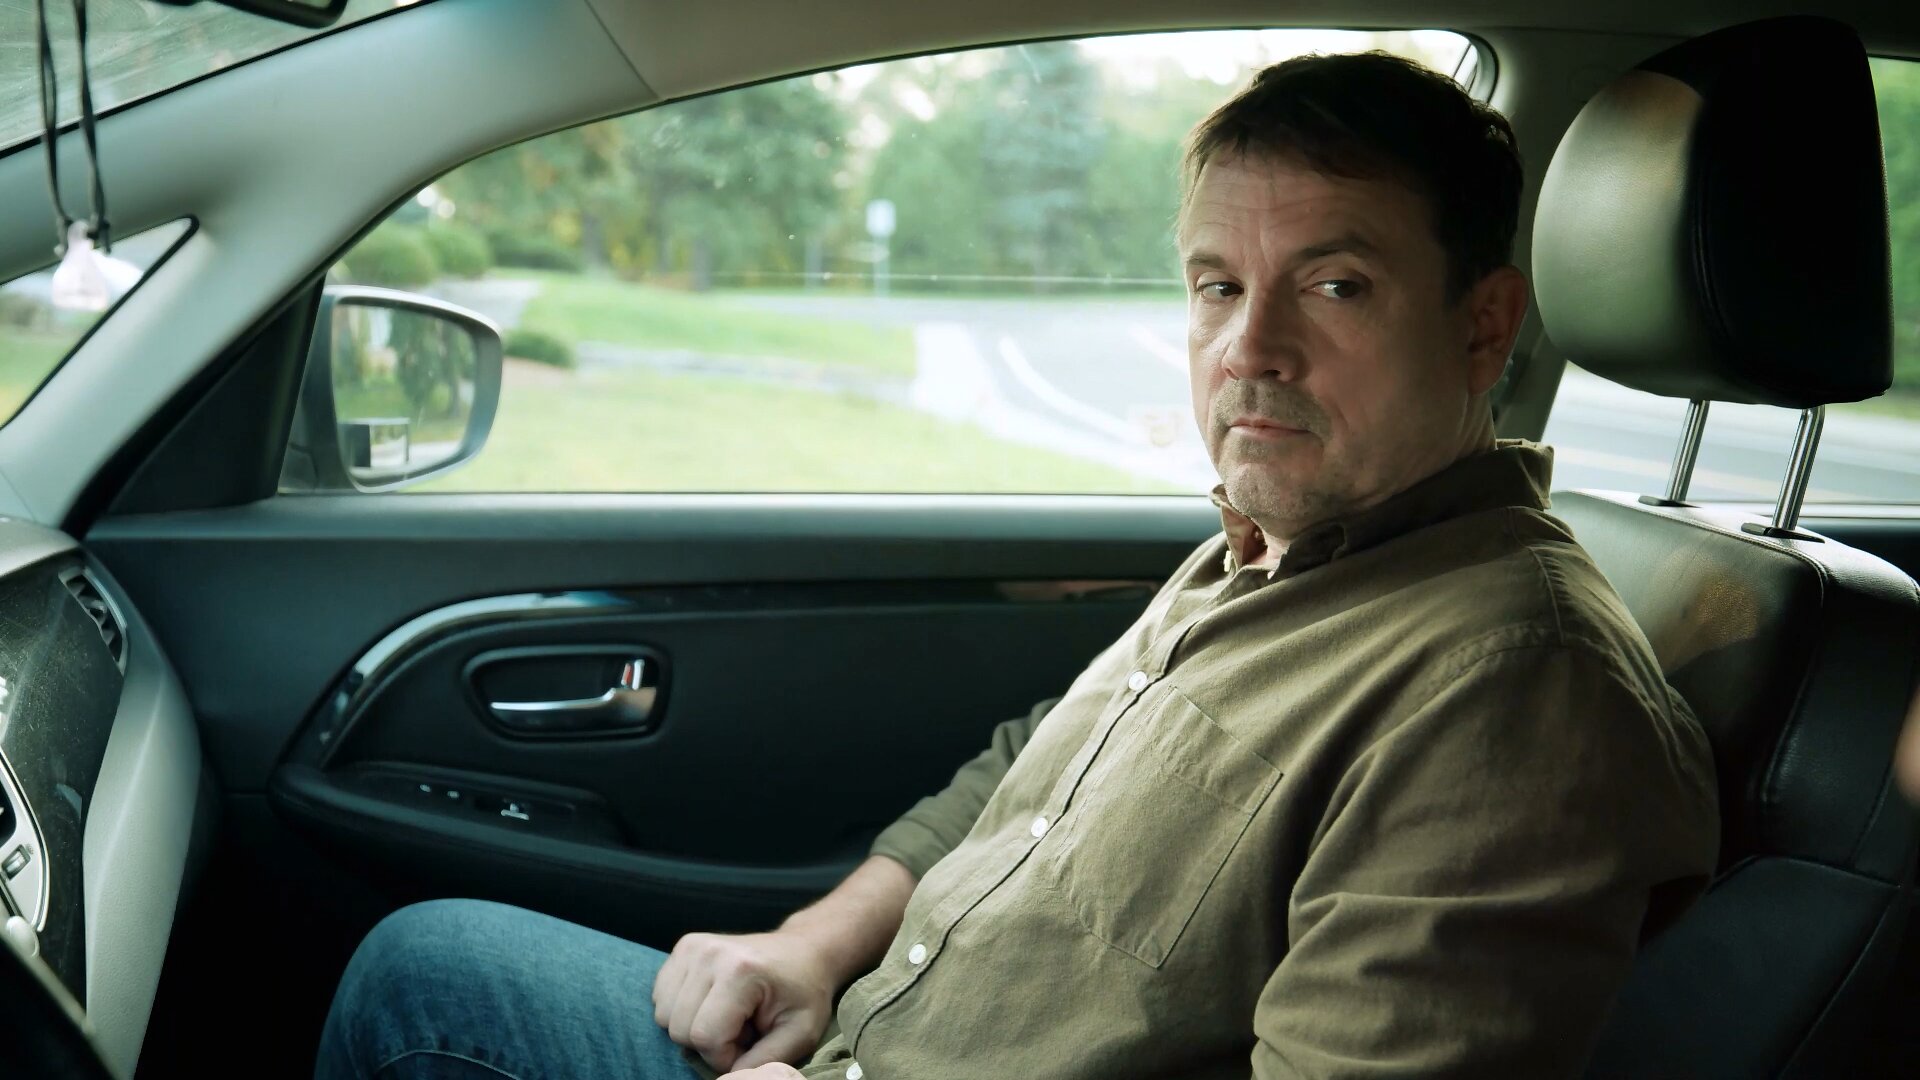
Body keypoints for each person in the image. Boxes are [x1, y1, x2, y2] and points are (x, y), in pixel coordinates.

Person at [314, 51, 1719, 1080]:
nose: (1250, 348)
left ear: (1484, 327)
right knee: (431, 962)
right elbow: (1023, 771)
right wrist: (812, 950)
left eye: (1334, 285)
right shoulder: (1276, 545)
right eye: (1218, 287)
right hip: (851, 1038)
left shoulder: (1509, 689)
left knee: (422, 998)